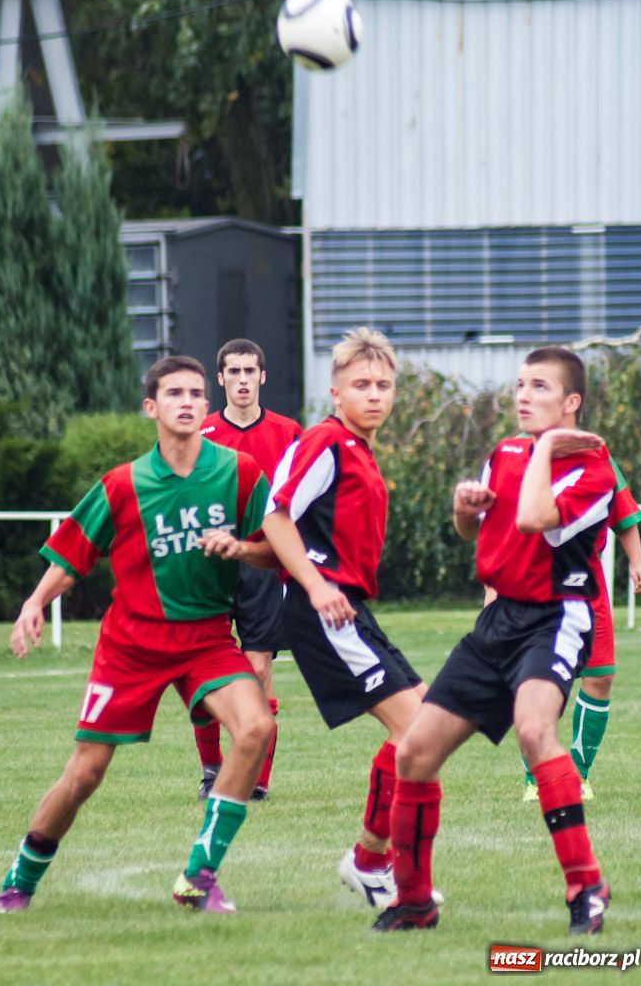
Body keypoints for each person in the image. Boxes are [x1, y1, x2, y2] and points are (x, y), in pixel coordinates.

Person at [0, 356, 275, 915]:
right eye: (174, 393)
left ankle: (199, 876)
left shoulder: (239, 473)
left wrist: (240, 547)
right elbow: (74, 555)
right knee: (86, 772)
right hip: (132, 645)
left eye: (196, 392)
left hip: (207, 639)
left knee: (256, 726)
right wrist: (34, 602)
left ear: (206, 407)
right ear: (152, 408)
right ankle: (19, 879)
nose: (187, 401)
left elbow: (276, 547)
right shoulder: (124, 484)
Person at [373, 346, 616, 935]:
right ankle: (414, 901)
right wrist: (464, 508)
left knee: (536, 730)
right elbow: (475, 530)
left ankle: (586, 887)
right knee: (414, 753)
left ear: (571, 403)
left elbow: (534, 517)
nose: (523, 396)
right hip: (497, 622)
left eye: (539, 387)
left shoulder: (594, 468)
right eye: (520, 385)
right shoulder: (506, 453)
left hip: (555, 619)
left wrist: (549, 448)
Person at [257, 327, 443, 910]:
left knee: (425, 726)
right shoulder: (326, 441)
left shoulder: (358, 449)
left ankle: (369, 860)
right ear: (335, 393)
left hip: (348, 608)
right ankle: (374, 867)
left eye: (384, 385)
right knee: (417, 732)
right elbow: (276, 517)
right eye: (361, 384)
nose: (375, 394)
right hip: (325, 611)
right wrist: (314, 586)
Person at [194, 338, 302, 801]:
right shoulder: (200, 432)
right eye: (232, 372)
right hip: (209, 568)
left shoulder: (288, 432)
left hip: (263, 567)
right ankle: (211, 770)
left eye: (249, 371)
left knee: (257, 671)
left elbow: (302, 498)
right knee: (203, 676)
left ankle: (256, 780)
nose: (241, 380)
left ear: (263, 376)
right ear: (221, 379)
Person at [522, 467, 641, 801]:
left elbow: (622, 511)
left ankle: (577, 775)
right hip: (533, 582)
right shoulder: (518, 453)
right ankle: (536, 779)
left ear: (571, 409)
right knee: (537, 680)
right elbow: (493, 527)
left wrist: (638, 564)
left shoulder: (595, 455)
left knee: (600, 677)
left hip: (587, 583)